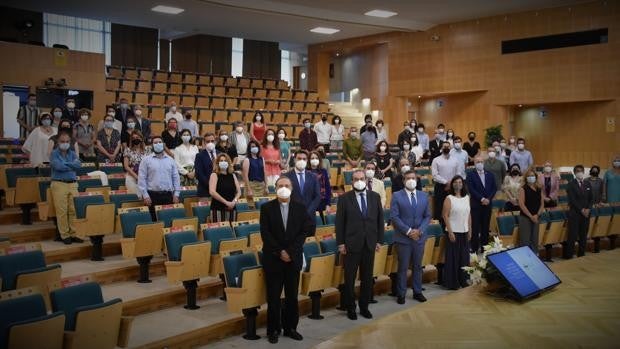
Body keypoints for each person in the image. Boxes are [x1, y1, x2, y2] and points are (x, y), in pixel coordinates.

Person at [260, 176, 312, 343]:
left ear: (292, 188)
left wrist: (290, 252)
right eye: (280, 185)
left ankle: (291, 328)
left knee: (292, 297)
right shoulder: (266, 208)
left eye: (286, 185)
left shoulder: (300, 208)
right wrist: (280, 251)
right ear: (275, 188)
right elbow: (265, 234)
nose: (283, 188)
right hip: (273, 259)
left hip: (293, 258)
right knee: (274, 297)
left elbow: (303, 232)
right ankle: (273, 330)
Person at [336, 170, 384, 320]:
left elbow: (379, 221)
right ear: (352, 182)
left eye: (361, 178)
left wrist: (379, 240)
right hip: (351, 245)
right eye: (356, 179)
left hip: (369, 243)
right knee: (349, 279)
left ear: (366, 179)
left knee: (367, 278)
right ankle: (351, 308)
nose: (359, 181)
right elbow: (339, 223)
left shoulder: (374, 197)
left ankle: (364, 307)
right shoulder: (344, 199)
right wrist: (341, 243)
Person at [390, 169, 431, 304]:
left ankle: (417, 291)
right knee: (403, 267)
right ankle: (401, 294)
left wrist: (419, 231)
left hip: (419, 237)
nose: (411, 180)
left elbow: (427, 216)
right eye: (408, 178)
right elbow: (394, 217)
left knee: (418, 266)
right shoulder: (396, 196)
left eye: (413, 178)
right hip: (403, 238)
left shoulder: (423, 196)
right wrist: (408, 231)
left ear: (417, 180)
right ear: (403, 181)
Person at [137, 135, 181, 220]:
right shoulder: (146, 160)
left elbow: (176, 178)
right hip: (152, 196)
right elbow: (142, 179)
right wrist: (145, 196)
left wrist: (176, 194)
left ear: (164, 144)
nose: (158, 144)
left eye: (160, 142)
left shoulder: (170, 160)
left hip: (168, 196)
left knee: (168, 221)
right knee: (154, 223)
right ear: (152, 145)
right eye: (155, 143)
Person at [49, 130, 82, 244]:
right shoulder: (54, 153)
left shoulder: (72, 153)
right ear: (58, 142)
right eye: (62, 141)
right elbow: (58, 166)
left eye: (67, 141)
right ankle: (65, 235)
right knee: (62, 211)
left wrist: (67, 164)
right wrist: (71, 165)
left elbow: (78, 165)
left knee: (74, 210)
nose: (65, 143)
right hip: (59, 183)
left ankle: (74, 233)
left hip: (72, 183)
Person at [442, 175, 471, 290]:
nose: (458, 184)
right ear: (452, 184)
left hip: (464, 231)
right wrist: (450, 231)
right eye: (455, 182)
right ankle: (452, 282)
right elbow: (445, 215)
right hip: (453, 231)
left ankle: (463, 280)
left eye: (460, 182)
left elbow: (469, 215)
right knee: (453, 258)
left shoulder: (467, 197)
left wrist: (470, 230)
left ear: (463, 184)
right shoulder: (449, 198)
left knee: (464, 258)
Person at [466, 156, 497, 253]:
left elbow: (494, 188)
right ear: (474, 163)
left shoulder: (490, 174)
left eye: (481, 161)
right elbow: (471, 189)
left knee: (485, 227)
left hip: (487, 205)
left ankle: (485, 248)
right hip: (476, 205)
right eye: (477, 161)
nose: (480, 163)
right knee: (475, 227)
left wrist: (488, 199)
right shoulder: (470, 175)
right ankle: (474, 248)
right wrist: (482, 199)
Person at [431, 141, 465, 224]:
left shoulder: (455, 160)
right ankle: (440, 230)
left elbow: (458, 173)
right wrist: (446, 182)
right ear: (441, 148)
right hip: (440, 187)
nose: (446, 148)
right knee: (440, 208)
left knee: (453, 207)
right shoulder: (436, 160)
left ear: (450, 148)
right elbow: (435, 175)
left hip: (453, 187)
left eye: (448, 146)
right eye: (444, 146)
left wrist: (451, 183)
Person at [564, 165, 593, 258]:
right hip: (575, 213)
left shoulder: (587, 183)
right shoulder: (571, 184)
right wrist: (581, 209)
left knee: (583, 235)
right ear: (574, 173)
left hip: (586, 214)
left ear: (584, 172)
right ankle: (569, 256)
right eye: (577, 171)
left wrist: (588, 208)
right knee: (572, 235)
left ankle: (581, 254)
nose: (579, 172)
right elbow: (572, 200)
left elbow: (591, 198)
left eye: (581, 171)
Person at [284, 150, 321, 221]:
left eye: (304, 159)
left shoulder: (313, 177)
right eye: (299, 158)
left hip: (309, 217)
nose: (302, 161)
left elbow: (317, 196)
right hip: (292, 217)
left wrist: (308, 212)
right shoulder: (286, 176)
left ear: (307, 161)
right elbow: (284, 197)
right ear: (294, 160)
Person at [517, 169, 544, 253]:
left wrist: (537, 215)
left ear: (535, 177)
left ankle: (535, 258)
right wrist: (531, 216)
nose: (531, 177)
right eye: (529, 176)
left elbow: (542, 204)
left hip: (536, 217)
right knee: (525, 241)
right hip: (525, 217)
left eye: (532, 176)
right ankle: (525, 261)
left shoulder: (539, 189)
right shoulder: (523, 189)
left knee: (535, 239)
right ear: (526, 178)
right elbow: (521, 204)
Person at [209, 153, 241, 222]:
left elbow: (239, 192)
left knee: (231, 230)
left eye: (225, 161)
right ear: (217, 163)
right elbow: (212, 192)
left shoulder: (232, 175)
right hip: (218, 208)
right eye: (221, 161)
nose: (223, 162)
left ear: (228, 162)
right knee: (219, 231)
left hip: (232, 207)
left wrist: (234, 202)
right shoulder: (214, 175)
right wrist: (226, 203)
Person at [123, 130, 151, 197]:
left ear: (141, 138)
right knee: (137, 196)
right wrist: (137, 177)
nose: (136, 139)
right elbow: (126, 166)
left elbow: (151, 163)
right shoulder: (127, 150)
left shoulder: (148, 149)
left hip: (146, 176)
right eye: (133, 138)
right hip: (132, 175)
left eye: (137, 137)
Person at [309, 151, 331, 223]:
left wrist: (328, 204)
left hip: (322, 201)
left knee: (323, 222)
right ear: (309, 160)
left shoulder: (323, 171)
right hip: (310, 202)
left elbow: (328, 188)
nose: (314, 160)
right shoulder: (305, 172)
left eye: (316, 158)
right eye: (312, 158)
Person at [194, 133, 218, 200]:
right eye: (208, 141)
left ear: (215, 141)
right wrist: (211, 185)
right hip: (205, 192)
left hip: (220, 191)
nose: (210, 143)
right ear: (204, 143)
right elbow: (199, 174)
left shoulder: (221, 154)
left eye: (212, 141)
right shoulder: (199, 156)